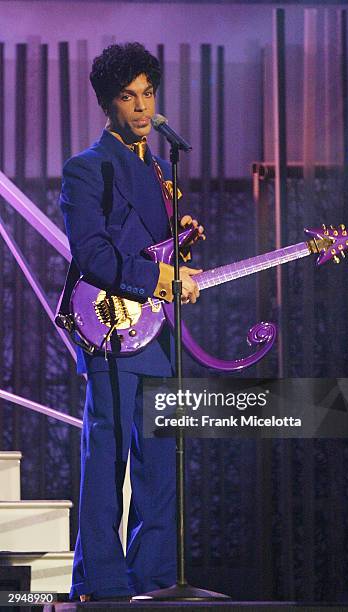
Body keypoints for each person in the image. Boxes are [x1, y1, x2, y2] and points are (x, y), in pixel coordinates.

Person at [59, 42, 204, 602]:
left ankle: (155, 582)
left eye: (148, 94)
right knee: (107, 462)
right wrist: (161, 280)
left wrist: (179, 240)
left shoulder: (162, 168)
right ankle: (101, 583)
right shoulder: (87, 167)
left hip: (158, 335)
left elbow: (147, 248)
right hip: (110, 328)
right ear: (107, 103)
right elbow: (92, 254)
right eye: (128, 96)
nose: (142, 108)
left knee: (161, 470)